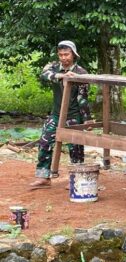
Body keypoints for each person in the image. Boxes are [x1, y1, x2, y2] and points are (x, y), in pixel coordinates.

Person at [29, 40, 91, 189]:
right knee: (45, 141)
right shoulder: (53, 67)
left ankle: (76, 178)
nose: (64, 58)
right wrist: (60, 76)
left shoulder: (81, 73)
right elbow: (44, 74)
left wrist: (87, 120)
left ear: (74, 54)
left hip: (73, 115)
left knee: (75, 147)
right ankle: (44, 177)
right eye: (61, 54)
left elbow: (82, 99)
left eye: (67, 54)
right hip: (56, 114)